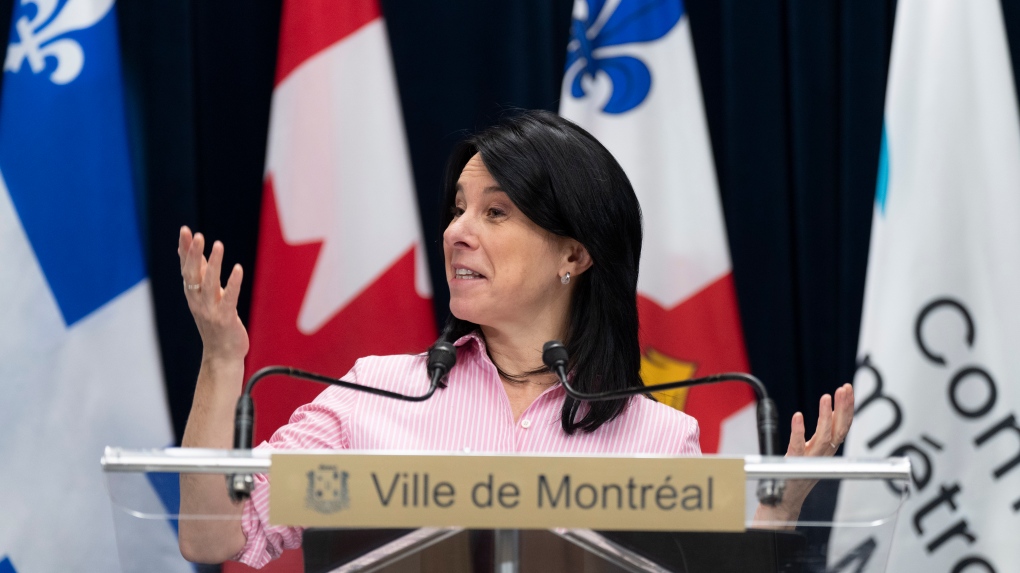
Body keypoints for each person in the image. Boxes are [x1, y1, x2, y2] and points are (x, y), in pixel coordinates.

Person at [176, 110, 853, 567]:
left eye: (495, 211)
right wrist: (222, 360)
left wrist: (775, 515)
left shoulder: (657, 437)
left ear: (573, 255)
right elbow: (210, 535)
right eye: (458, 208)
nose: (456, 230)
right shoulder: (374, 396)